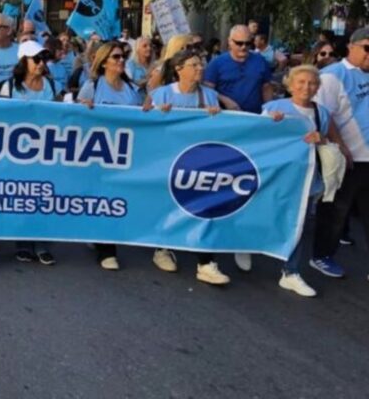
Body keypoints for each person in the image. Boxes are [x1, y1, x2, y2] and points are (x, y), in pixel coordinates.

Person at [263, 65, 350, 297]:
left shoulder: (322, 113)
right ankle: (248, 246)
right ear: (290, 85)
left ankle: (290, 272)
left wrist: (322, 139)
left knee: (298, 224)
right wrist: (270, 124)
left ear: (318, 87)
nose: (306, 87)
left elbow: (331, 143)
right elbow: (257, 139)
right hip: (275, 176)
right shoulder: (274, 108)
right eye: (301, 82)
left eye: (312, 83)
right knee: (267, 215)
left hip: (305, 179)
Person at [146, 49, 231, 285]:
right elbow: (146, 126)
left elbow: (218, 130)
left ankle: (206, 263)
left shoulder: (209, 95)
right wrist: (158, 116)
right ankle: (162, 249)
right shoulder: (162, 94)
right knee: (168, 205)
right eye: (194, 65)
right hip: (168, 160)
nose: (200, 68)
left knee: (204, 207)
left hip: (199, 160)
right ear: (179, 69)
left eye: (201, 64)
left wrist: (216, 116)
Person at [77, 41, 145, 270]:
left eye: (123, 56)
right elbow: (76, 117)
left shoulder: (132, 90)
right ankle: (106, 251)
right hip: (98, 152)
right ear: (104, 61)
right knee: (103, 198)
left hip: (125, 152)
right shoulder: (92, 86)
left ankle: (100, 235)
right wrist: (83, 107)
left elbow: (141, 118)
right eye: (116, 57)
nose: (121, 60)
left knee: (117, 197)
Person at [310, 27, 369, 279]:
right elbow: (324, 113)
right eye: (367, 48)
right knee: (336, 210)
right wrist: (340, 145)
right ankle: (321, 255)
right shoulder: (333, 75)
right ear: (351, 47)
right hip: (348, 157)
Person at [0, 40, 58, 266]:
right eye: (37, 59)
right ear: (24, 61)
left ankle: (42, 244)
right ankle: (23, 243)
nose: (42, 63)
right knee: (22, 197)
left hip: (45, 150)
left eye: (44, 59)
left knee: (43, 196)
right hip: (17, 152)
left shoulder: (51, 85)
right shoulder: (9, 87)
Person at [204, 24, 273, 114]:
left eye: (247, 43)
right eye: (239, 43)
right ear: (230, 41)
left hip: (254, 116)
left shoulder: (260, 61)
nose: (244, 47)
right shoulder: (216, 63)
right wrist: (225, 100)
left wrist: (269, 109)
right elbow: (207, 89)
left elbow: (266, 87)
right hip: (226, 115)